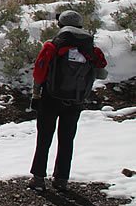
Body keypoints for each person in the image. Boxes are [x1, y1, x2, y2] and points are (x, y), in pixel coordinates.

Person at [28, 10, 107, 192]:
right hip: (76, 100)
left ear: (60, 25)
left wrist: (36, 94)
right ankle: (61, 179)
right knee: (67, 139)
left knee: (44, 138)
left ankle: (38, 178)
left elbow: (39, 73)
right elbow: (102, 71)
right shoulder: (91, 49)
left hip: (50, 98)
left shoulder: (52, 45)